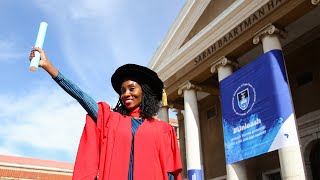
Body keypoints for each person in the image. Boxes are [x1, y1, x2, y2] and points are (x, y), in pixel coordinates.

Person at [29, 47, 182, 180]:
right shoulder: (112, 120)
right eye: (123, 91)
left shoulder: (164, 130)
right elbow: (82, 97)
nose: (126, 94)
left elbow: (169, 172)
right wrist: (50, 68)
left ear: (144, 92)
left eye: (131, 88)